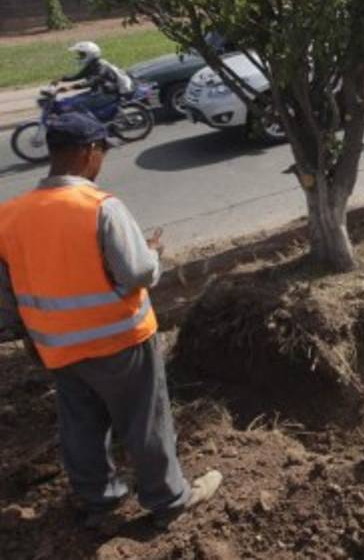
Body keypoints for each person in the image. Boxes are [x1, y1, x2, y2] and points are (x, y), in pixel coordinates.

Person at [0, 112, 222, 530]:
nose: (101, 161)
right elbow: (137, 272)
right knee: (145, 419)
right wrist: (153, 253)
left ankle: (100, 504)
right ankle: (169, 500)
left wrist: (26, 335)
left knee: (81, 425)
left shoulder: (8, 216)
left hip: (58, 348)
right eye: (101, 151)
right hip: (121, 339)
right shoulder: (100, 206)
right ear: (87, 152)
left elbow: (6, 296)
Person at [56, 41, 134, 117]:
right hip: (101, 91)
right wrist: (60, 79)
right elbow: (78, 76)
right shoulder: (93, 64)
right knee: (71, 99)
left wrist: (71, 87)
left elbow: (92, 81)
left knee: (76, 104)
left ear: (89, 54)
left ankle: (90, 125)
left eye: (82, 54)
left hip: (109, 94)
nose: (80, 56)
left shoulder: (101, 67)